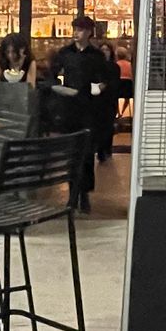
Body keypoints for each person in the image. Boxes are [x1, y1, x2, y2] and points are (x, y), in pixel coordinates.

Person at [49, 17, 116, 210]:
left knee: (86, 153)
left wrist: (97, 89)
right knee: (71, 153)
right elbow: (54, 76)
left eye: (80, 29)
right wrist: (59, 88)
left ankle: (84, 193)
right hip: (68, 108)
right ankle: (72, 193)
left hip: (88, 108)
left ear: (89, 32)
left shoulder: (96, 56)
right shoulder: (64, 53)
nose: (76, 32)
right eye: (75, 29)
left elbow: (104, 79)